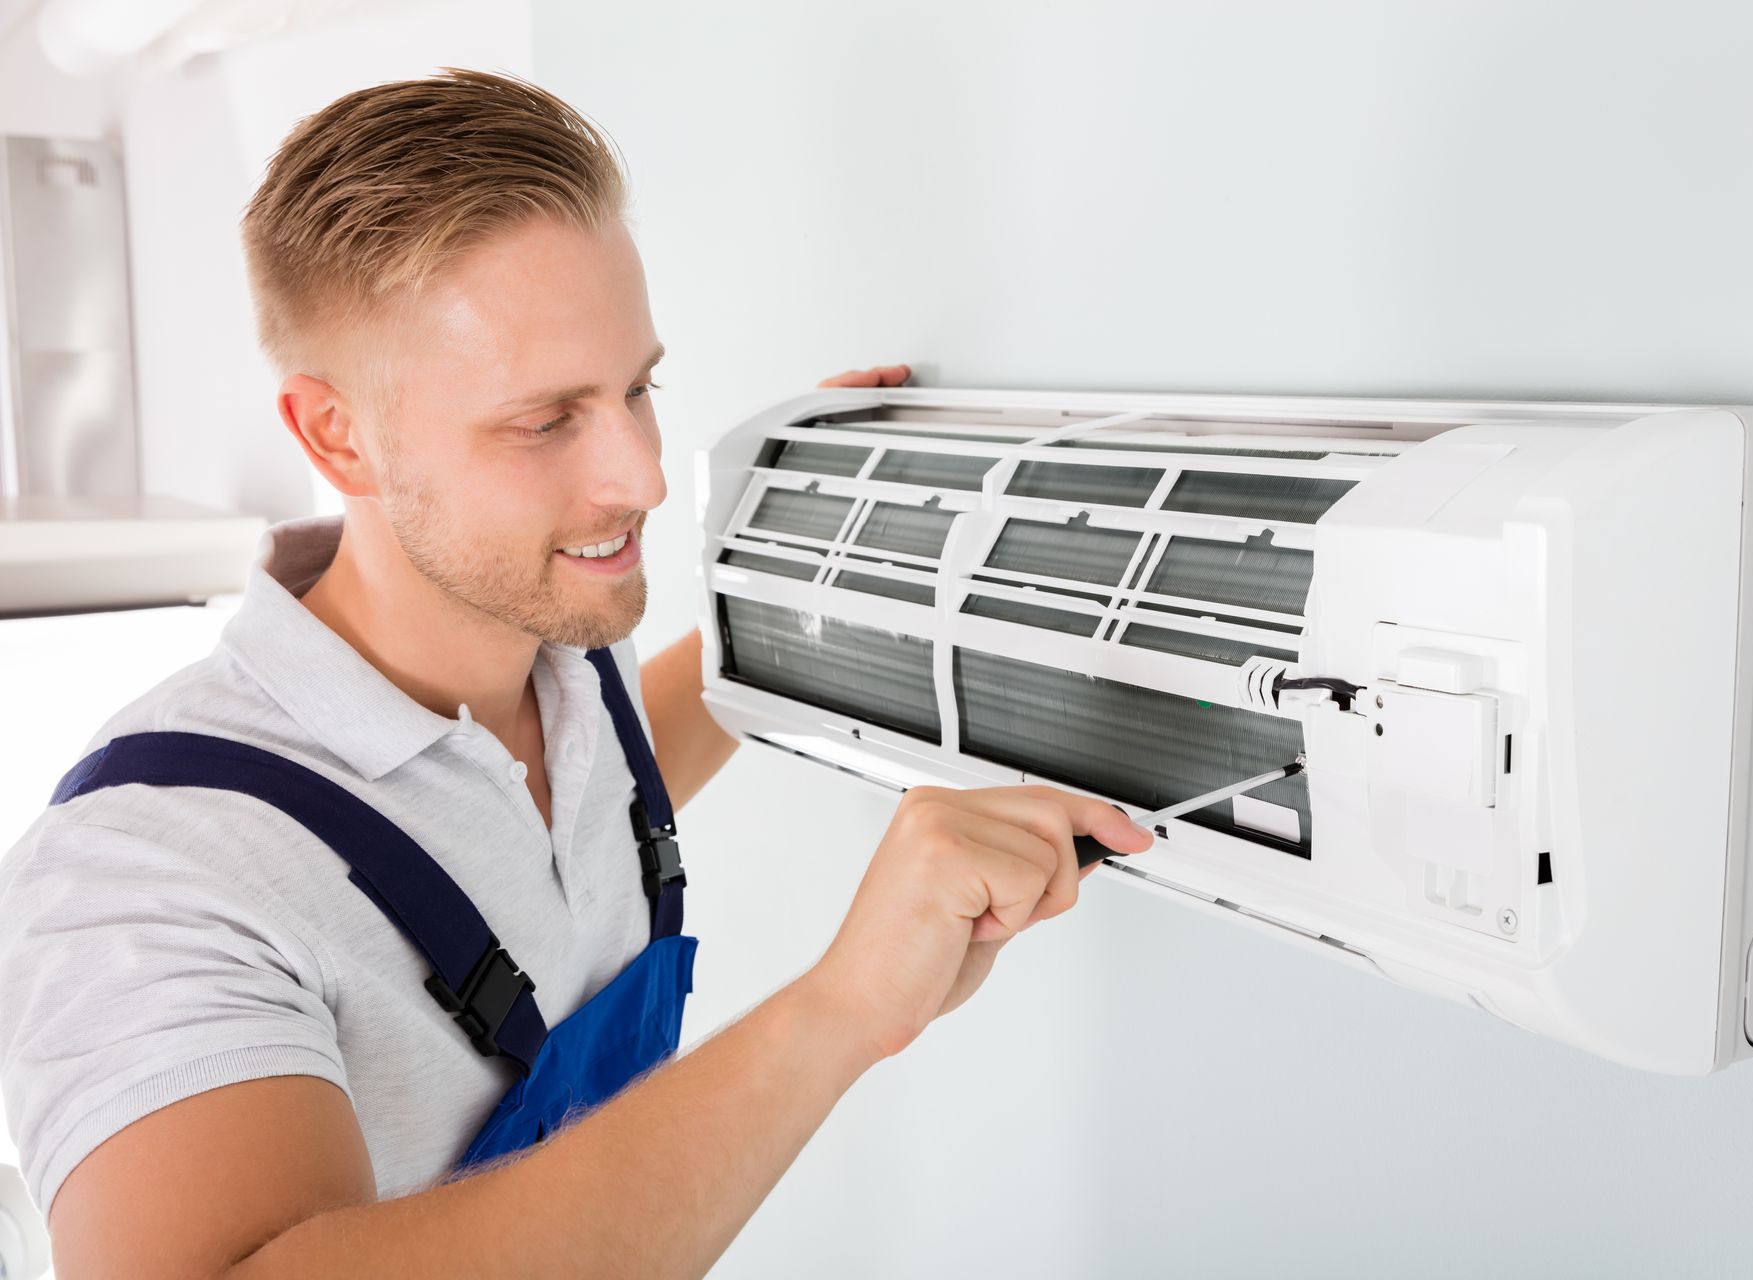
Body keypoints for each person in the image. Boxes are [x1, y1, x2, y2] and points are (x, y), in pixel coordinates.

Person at [0, 69, 1154, 1277]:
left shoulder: (556, 664)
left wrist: (804, 577)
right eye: (546, 420)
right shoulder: (140, 880)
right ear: (337, 434)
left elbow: (599, 784)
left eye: (639, 386)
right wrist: (843, 1006)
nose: (643, 476)